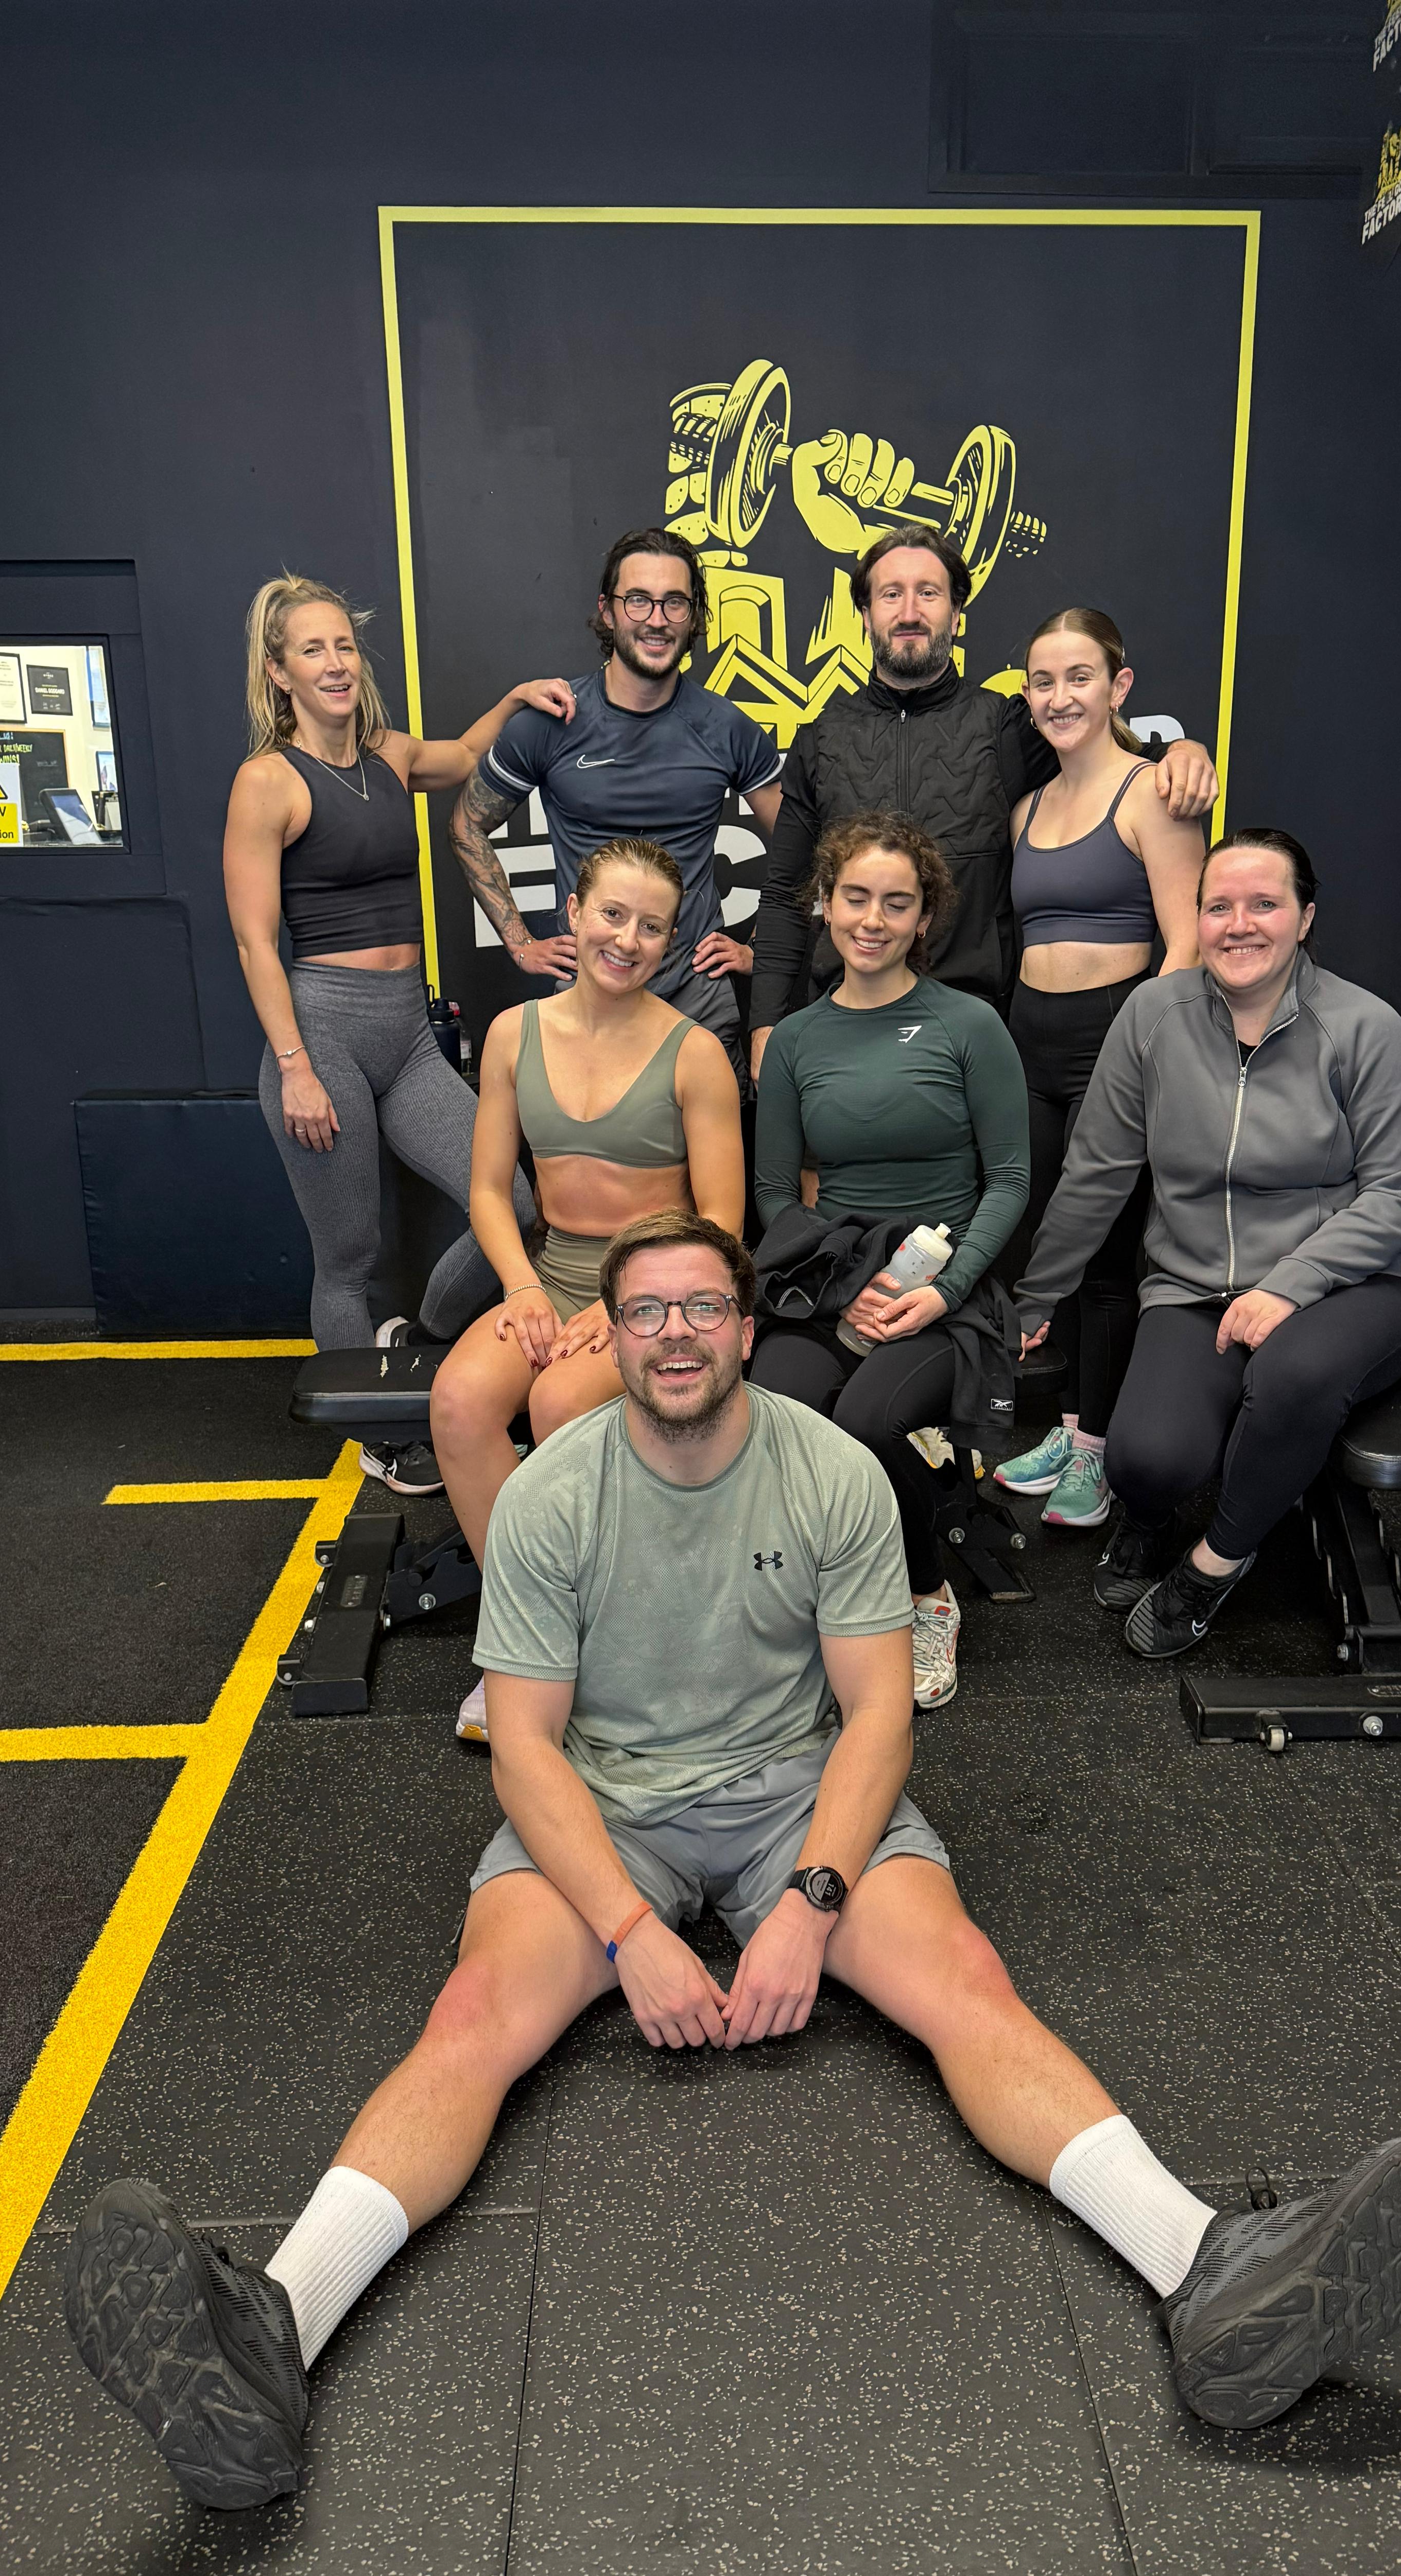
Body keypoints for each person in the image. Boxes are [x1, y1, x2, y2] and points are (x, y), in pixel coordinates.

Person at [61, 1208, 1401, 2511]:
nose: (674, 1333)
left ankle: (1205, 2269)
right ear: (612, 1334)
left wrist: (809, 1902)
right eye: (646, 1311)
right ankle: (276, 2334)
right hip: (607, 1801)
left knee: (968, 1982)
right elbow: (527, 1746)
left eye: (701, 1308)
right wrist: (629, 1930)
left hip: (799, 1794)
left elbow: (877, 1715)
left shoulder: (832, 1472)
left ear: (743, 1327)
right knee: (473, 2016)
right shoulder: (549, 1497)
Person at [1015, 830, 1401, 1657]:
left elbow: (1400, 1192)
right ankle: (1149, 1517)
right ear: (1197, 919)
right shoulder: (1153, 1015)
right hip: (1197, 1285)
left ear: (1305, 918)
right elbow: (1096, 1171)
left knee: (1293, 1376)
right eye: (1218, 907)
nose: (1239, 924)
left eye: (1264, 904)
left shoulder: (1365, 1026)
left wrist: (1291, 1284)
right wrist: (1036, 1297)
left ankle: (1213, 1564)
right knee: (1146, 1462)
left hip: (1354, 1285)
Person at [224, 572, 565, 1494]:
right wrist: (296, 1066)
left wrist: (514, 701)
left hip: (407, 1032)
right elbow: (255, 942)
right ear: (279, 672)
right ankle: (375, 1438)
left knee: (514, 1208)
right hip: (322, 1034)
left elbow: (460, 756)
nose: (336, 663)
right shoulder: (269, 781)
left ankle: (421, 1340)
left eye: (344, 646)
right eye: (313, 650)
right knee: (348, 1258)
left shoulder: (384, 752)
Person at [426, 841, 742, 1746]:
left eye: (652, 927)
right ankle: (520, 1641)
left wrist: (629, 1310)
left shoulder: (695, 1055)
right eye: (612, 914)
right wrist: (522, 1288)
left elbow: (721, 1221)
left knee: (563, 1404)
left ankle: (608, 1643)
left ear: (671, 941)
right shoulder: (513, 1035)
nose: (627, 939)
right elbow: (491, 1191)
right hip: (554, 1272)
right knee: (458, 1402)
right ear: (573, 911)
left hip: (658, 1288)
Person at [747, 527, 1220, 1074]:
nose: (909, 612)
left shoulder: (1007, 726)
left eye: (928, 593)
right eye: (891, 594)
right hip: (846, 1025)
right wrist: (766, 1024)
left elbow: (1105, 754)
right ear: (866, 615)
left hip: (975, 1035)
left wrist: (1182, 751)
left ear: (956, 614)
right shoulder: (821, 738)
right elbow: (784, 894)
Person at [749, 812, 1029, 1712]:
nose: (872, 920)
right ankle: (826, 1591)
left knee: (869, 1423)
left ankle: (924, 1593)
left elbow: (1010, 1180)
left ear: (924, 919)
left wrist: (946, 1289)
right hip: (833, 1276)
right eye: (856, 897)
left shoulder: (969, 1025)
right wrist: (838, 1288)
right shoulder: (795, 1040)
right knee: (779, 1411)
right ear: (825, 904)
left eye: (896, 904)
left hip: (945, 1285)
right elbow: (774, 1194)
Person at [990, 608, 1205, 1534]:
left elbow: (1187, 943)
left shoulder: (1154, 792)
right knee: (1058, 1245)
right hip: (1028, 1043)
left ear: (1119, 687)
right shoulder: (1026, 810)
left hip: (1115, 1037)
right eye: (1043, 681)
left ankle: (1102, 1450)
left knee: (1110, 1259)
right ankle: (1074, 1427)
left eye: (1079, 677)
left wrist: (1137, 1054)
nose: (1060, 696)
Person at [448, 527, 784, 1081]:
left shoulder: (727, 727)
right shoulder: (552, 720)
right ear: (607, 611)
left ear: (695, 617)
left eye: (675, 602)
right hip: (586, 1003)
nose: (657, 619)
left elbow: (804, 846)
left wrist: (762, 951)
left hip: (696, 1002)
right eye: (639, 600)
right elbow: (466, 826)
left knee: (712, 1142)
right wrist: (521, 943)